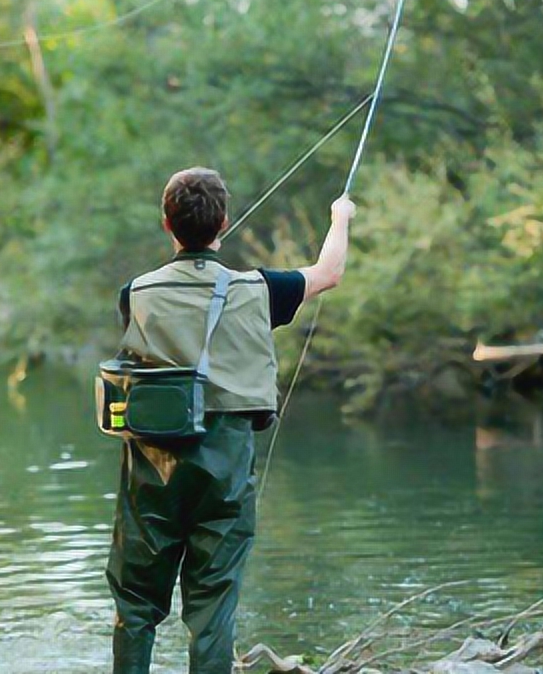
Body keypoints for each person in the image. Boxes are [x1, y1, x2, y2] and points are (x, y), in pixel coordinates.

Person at [105, 167, 355, 673]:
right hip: (225, 464)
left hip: (150, 469)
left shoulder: (135, 293)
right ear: (225, 221)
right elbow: (328, 272)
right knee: (212, 607)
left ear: (166, 223)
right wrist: (340, 216)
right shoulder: (259, 289)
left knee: (136, 606)